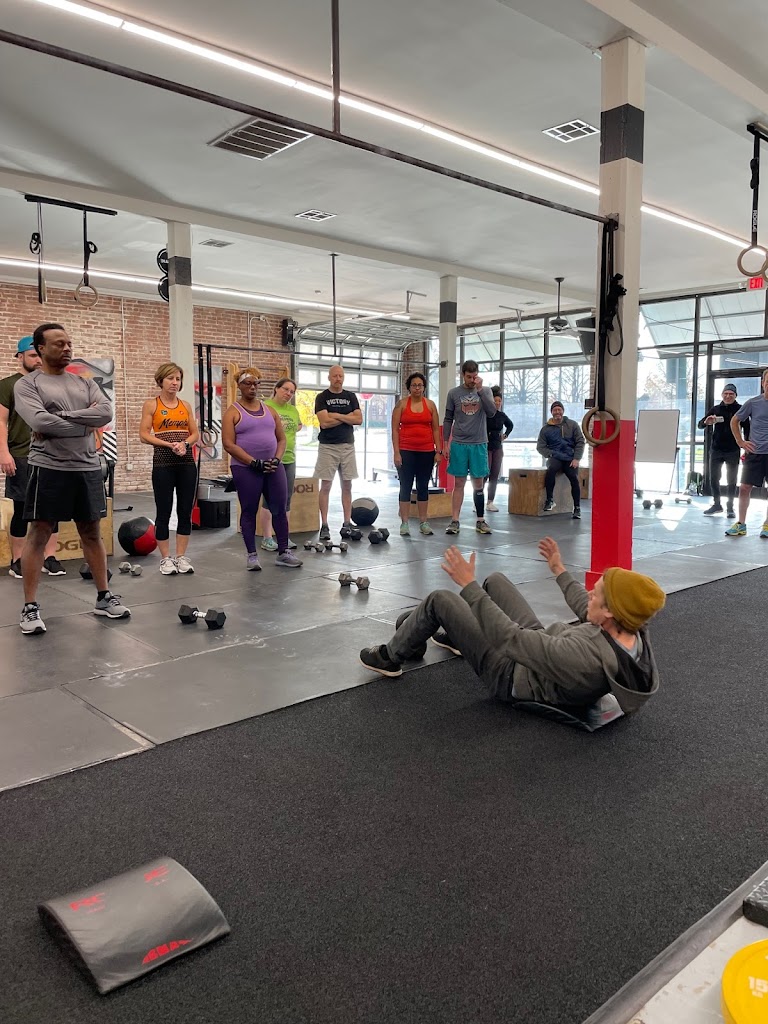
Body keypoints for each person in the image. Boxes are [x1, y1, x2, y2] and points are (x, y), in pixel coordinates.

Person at [359, 538, 665, 720]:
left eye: (596, 594)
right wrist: (559, 569)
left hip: (511, 672)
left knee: (441, 600)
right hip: (542, 652)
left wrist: (468, 585)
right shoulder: (630, 628)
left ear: (610, 611)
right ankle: (457, 636)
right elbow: (585, 609)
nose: (589, 595)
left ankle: (390, 657)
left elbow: (510, 639)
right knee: (496, 580)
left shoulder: (582, 655)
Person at [13, 323, 130, 635]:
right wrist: (83, 423)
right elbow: (39, 421)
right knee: (39, 533)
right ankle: (30, 606)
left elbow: (105, 414)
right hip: (48, 466)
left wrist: (62, 417)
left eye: (68, 343)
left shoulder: (84, 382)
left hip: (87, 466)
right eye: (58, 344)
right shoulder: (28, 385)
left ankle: (104, 597)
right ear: (40, 349)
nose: (66, 348)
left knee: (92, 532)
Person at [222, 367, 302, 570]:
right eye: (248, 383)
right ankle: (252, 556)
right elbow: (229, 444)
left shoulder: (270, 411)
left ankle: (284, 552)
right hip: (246, 468)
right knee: (249, 510)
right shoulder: (233, 412)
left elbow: (281, 439)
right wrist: (253, 462)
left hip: (272, 467)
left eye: (256, 383)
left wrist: (277, 459)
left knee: (280, 509)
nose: (252, 387)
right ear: (239, 385)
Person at [0, 336, 63, 578]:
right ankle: (17, 561)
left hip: (51, 455)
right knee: (22, 509)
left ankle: (50, 557)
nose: (38, 359)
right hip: (21, 455)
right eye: (33, 355)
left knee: (52, 509)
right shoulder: (7, 385)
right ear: (20, 357)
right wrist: (4, 453)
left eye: (40, 354)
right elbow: (1, 421)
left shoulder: (50, 384)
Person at [139, 362, 200, 575]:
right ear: (161, 380)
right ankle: (166, 559)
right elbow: (144, 434)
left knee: (185, 511)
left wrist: (185, 444)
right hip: (163, 464)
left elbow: (195, 433)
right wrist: (168, 444)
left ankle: (181, 557)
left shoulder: (185, 406)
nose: (175, 383)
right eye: (170, 378)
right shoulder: (152, 405)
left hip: (186, 464)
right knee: (163, 511)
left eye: (178, 379)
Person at [443, 360, 497, 535]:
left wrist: (480, 390)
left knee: (478, 483)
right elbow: (448, 419)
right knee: (459, 483)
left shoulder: (485, 391)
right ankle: (455, 521)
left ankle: (480, 520)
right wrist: (445, 443)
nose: (472, 380)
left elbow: (492, 412)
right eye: (468, 377)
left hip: (478, 443)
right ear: (462, 375)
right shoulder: (454, 393)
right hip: (459, 443)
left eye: (475, 376)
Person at [313, 364, 362, 541]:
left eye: (340, 376)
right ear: (329, 377)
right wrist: (347, 417)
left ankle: (347, 523)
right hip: (328, 447)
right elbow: (325, 423)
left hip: (348, 446)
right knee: (326, 485)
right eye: (334, 376)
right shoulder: (322, 397)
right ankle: (325, 525)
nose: (338, 379)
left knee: (347, 486)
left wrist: (336, 415)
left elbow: (359, 419)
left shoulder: (351, 396)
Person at [391, 372, 442, 536]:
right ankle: (404, 523)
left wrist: (438, 451)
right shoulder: (401, 405)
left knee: (423, 486)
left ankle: (423, 522)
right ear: (409, 388)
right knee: (405, 486)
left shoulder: (431, 405)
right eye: (414, 385)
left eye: (420, 385)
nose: (417, 388)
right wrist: (396, 452)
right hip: (406, 451)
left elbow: (436, 429)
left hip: (426, 452)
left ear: (424, 387)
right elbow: (394, 430)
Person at [259, 377, 302, 552]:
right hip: (271, 458)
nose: (288, 394)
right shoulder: (265, 407)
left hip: (290, 458)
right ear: (276, 388)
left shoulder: (293, 410)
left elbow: (298, 426)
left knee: (286, 499)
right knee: (270, 499)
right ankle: (267, 538)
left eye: (292, 392)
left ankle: (283, 536)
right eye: (285, 389)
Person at [726, 367, 768, 538]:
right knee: (744, 488)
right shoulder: (753, 402)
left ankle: (767, 524)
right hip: (755, 453)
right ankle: (741, 524)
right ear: (763, 383)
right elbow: (735, 420)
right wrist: (740, 441)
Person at [698, 382, 742, 518]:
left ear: (735, 395)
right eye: (725, 393)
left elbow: (747, 427)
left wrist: (746, 445)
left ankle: (730, 507)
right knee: (713, 478)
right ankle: (717, 504)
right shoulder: (716, 409)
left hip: (733, 449)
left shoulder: (740, 409)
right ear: (722, 395)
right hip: (716, 449)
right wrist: (707, 422)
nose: (728, 396)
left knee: (732, 479)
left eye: (731, 394)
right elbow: (700, 424)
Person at [536, 400, 586, 519]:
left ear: (563, 411)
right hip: (555, 457)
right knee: (551, 470)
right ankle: (550, 500)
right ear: (552, 412)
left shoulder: (572, 425)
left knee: (573, 478)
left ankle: (577, 508)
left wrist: (576, 458)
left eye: (559, 409)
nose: (557, 412)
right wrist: (550, 454)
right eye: (555, 410)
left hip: (570, 458)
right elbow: (540, 447)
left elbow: (580, 442)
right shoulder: (545, 429)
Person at [485, 386, 514, 512]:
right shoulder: (485, 414)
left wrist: (505, 435)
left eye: (499, 401)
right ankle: (478, 500)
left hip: (497, 446)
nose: (497, 403)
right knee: (484, 474)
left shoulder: (502, 415)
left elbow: (510, 425)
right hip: (486, 446)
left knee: (494, 474)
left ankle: (490, 501)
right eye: (495, 401)